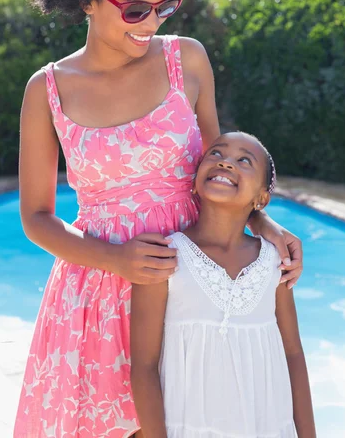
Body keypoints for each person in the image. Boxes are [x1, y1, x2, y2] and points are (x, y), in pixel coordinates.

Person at [14, 0, 303, 438]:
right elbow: (36, 217)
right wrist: (114, 259)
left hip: (191, 278)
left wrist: (266, 224)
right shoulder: (45, 90)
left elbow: (220, 170)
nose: (152, 23)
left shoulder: (186, 61)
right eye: (136, 9)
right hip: (96, 291)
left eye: (165, 5)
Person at [131, 132, 316, 438]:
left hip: (266, 426)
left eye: (244, 160)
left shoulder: (274, 261)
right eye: (216, 154)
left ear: (261, 199)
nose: (226, 163)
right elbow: (144, 366)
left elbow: (293, 354)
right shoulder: (164, 256)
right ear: (194, 179)